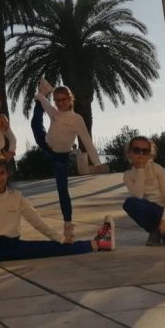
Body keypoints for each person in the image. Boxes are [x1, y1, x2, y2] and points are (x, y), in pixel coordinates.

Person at [32, 80, 107, 242]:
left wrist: (97, 163)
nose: (60, 103)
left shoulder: (77, 119)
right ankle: (43, 91)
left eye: (63, 99)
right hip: (46, 145)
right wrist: (41, 96)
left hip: (61, 156)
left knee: (62, 190)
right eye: (57, 100)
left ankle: (68, 226)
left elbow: (86, 140)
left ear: (70, 99)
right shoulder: (55, 113)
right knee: (35, 123)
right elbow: (45, 104)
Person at [122, 136, 165, 246]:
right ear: (129, 152)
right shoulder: (128, 175)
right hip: (151, 209)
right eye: (137, 150)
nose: (141, 153)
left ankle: (162, 231)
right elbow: (138, 195)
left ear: (150, 154)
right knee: (130, 203)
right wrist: (140, 169)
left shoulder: (157, 169)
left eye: (145, 151)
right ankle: (154, 231)